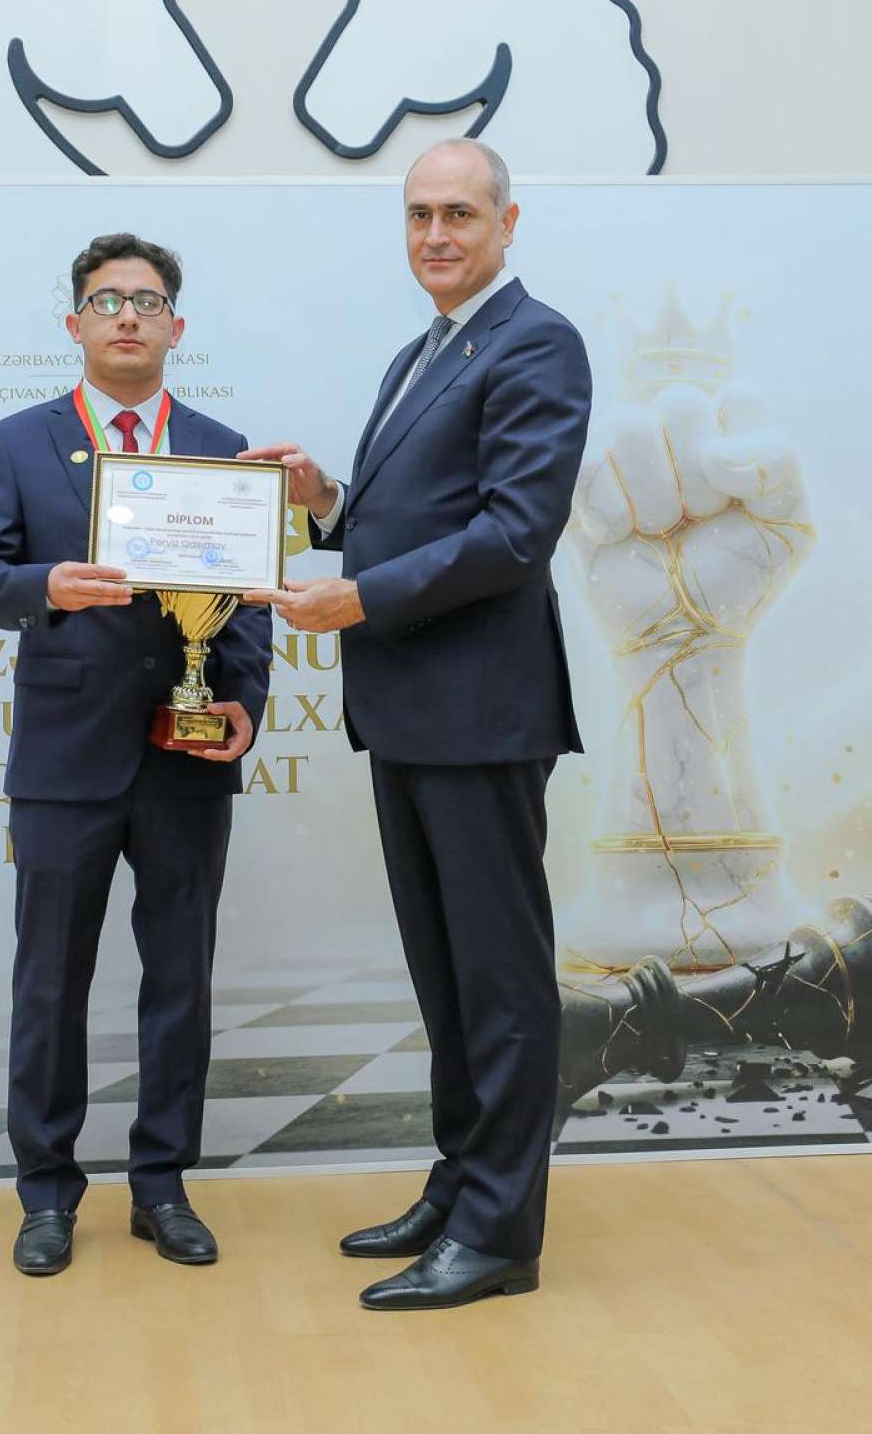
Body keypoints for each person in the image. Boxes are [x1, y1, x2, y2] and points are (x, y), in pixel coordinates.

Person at [241, 140, 591, 1311]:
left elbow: (513, 533)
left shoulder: (535, 342)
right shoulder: (424, 349)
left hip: (481, 714)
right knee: (445, 977)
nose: (434, 235)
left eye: (458, 213)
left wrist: (356, 597)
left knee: (499, 982)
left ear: (506, 222)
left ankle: (498, 1235)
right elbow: (422, 512)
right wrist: (326, 502)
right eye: (417, 216)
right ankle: (459, 1184)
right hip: (408, 712)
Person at [0, 232, 271, 1278]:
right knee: (49, 983)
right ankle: (46, 1194)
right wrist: (44, 586)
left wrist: (243, 704)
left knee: (180, 978)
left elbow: (248, 605)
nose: (126, 315)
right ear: (75, 324)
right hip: (64, 756)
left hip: (185, 756)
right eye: (105, 300)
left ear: (176, 326)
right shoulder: (18, 442)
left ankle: (162, 1186)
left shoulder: (223, 448)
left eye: (145, 300)